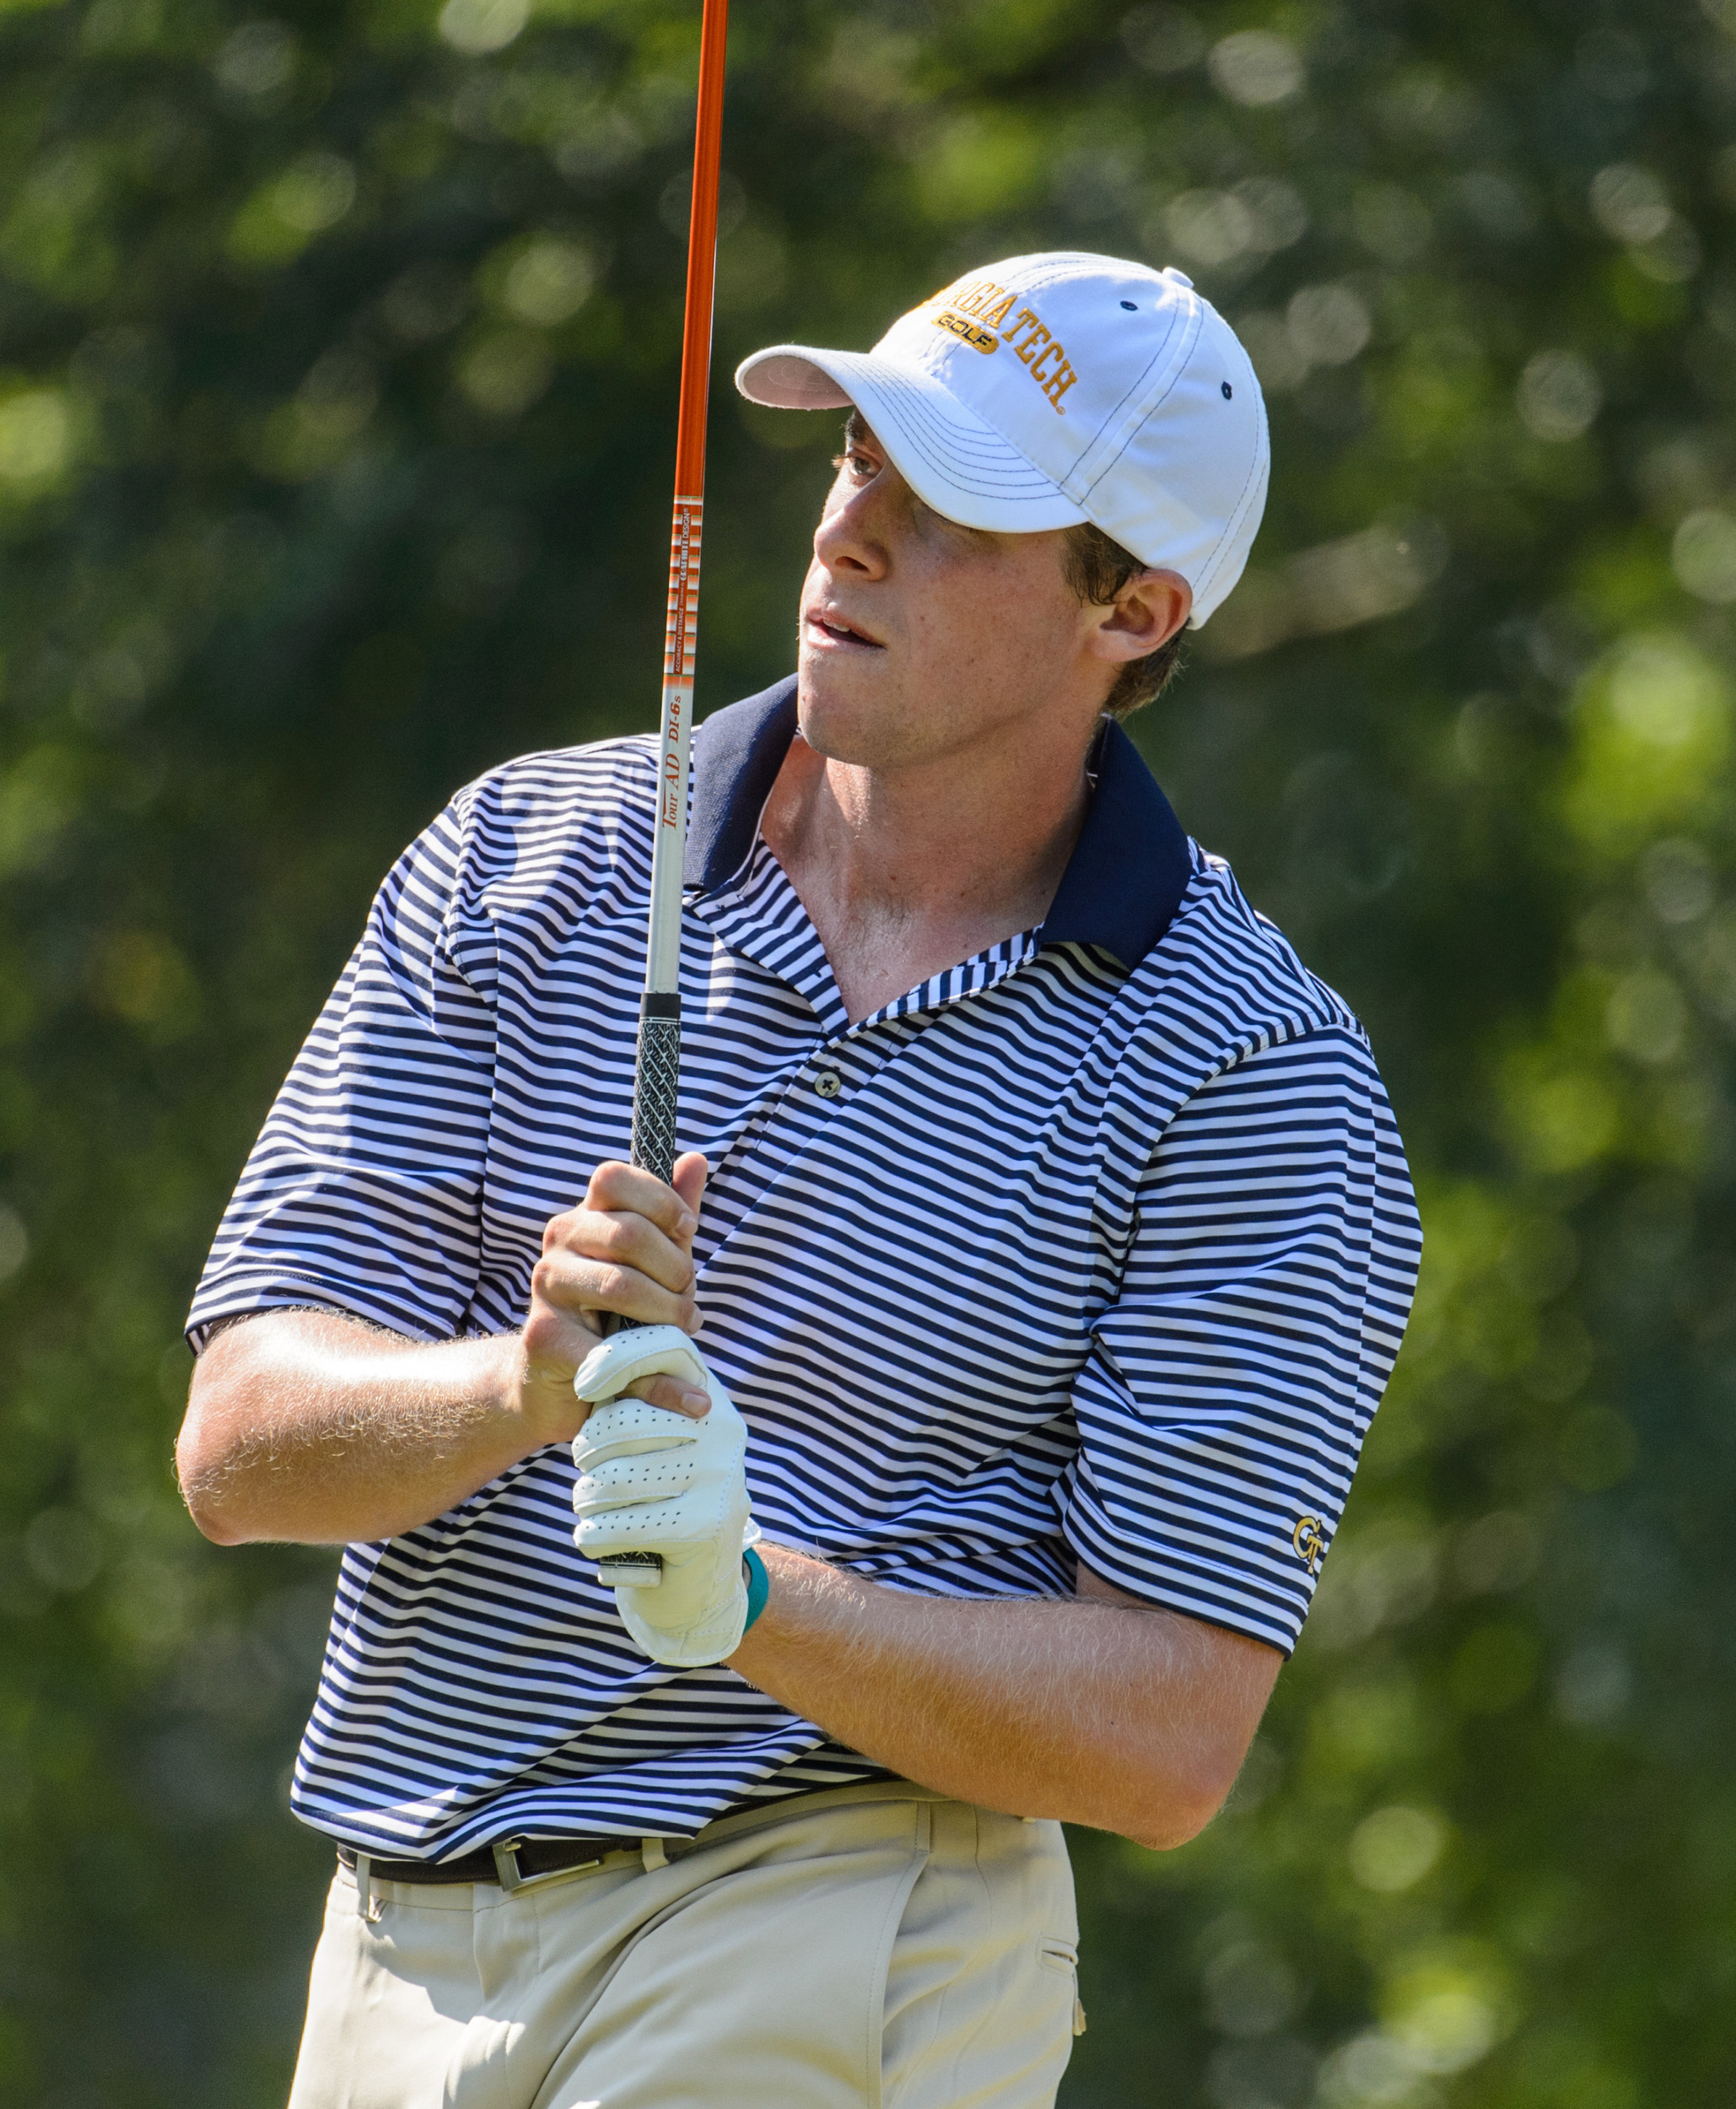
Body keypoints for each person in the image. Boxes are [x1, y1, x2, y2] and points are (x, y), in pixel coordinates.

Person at [176, 250, 1421, 2109]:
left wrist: (750, 1594)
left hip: (845, 1906)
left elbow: (1168, 1732)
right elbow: (234, 1434)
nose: (852, 534)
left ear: (1134, 609)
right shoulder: (520, 852)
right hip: (401, 1924)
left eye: (954, 509)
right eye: (856, 460)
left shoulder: (1251, 1073)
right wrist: (516, 1384)